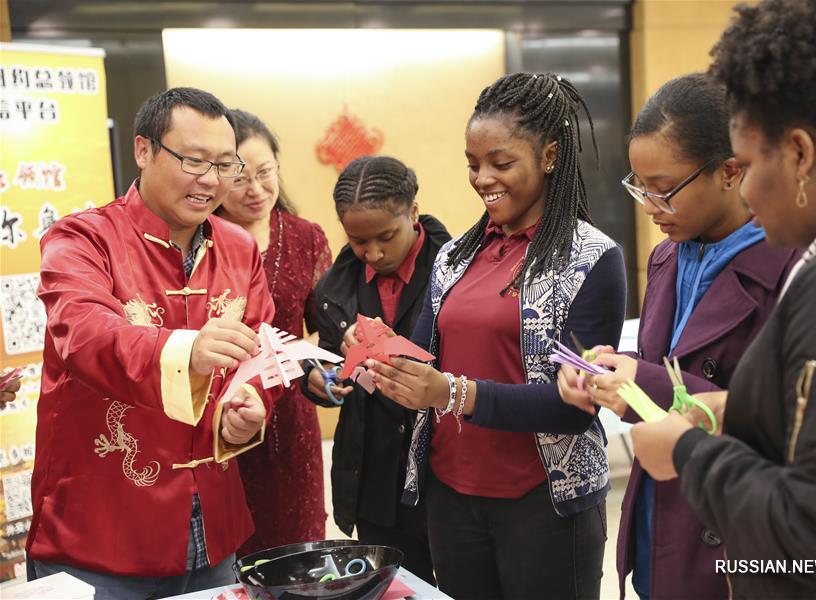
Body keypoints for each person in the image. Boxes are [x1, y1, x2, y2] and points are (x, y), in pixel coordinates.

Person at [630, 0, 816, 598]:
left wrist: (690, 453)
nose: (745, 188)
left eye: (747, 165)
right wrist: (739, 409)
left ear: (800, 154)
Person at [365, 73, 627, 600]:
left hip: (542, 503)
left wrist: (452, 393)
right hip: (450, 497)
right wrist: (376, 357)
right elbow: (425, 361)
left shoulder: (592, 258)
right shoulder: (455, 256)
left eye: (500, 163)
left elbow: (573, 404)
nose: (482, 177)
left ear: (549, 156)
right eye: (472, 163)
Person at [26, 87, 275, 600]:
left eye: (224, 164)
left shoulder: (239, 248)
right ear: (143, 151)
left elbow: (260, 353)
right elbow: (87, 334)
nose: (210, 180)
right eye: (193, 160)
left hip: (214, 533)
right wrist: (188, 349)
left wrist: (251, 406)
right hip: (100, 539)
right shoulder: (82, 240)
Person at [556, 73, 798, 600]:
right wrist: (603, 373)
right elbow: (660, 363)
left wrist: (640, 381)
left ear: (730, 172)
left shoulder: (790, 267)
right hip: (658, 511)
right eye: (639, 187)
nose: (649, 207)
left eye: (664, 191)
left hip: (734, 532)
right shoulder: (667, 256)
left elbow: (787, 413)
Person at [298, 155, 450, 584]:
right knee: (391, 586)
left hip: (444, 467)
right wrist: (320, 379)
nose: (374, 252)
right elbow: (325, 359)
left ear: (413, 213)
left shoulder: (454, 270)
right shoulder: (335, 287)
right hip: (373, 472)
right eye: (358, 241)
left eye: (386, 236)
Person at [216, 109, 331, 555]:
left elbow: (328, 330)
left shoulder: (306, 237)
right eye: (240, 178)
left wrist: (309, 361)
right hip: (221, 415)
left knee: (297, 545)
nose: (257, 189)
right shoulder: (202, 243)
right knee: (233, 553)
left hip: (290, 416)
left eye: (266, 173)